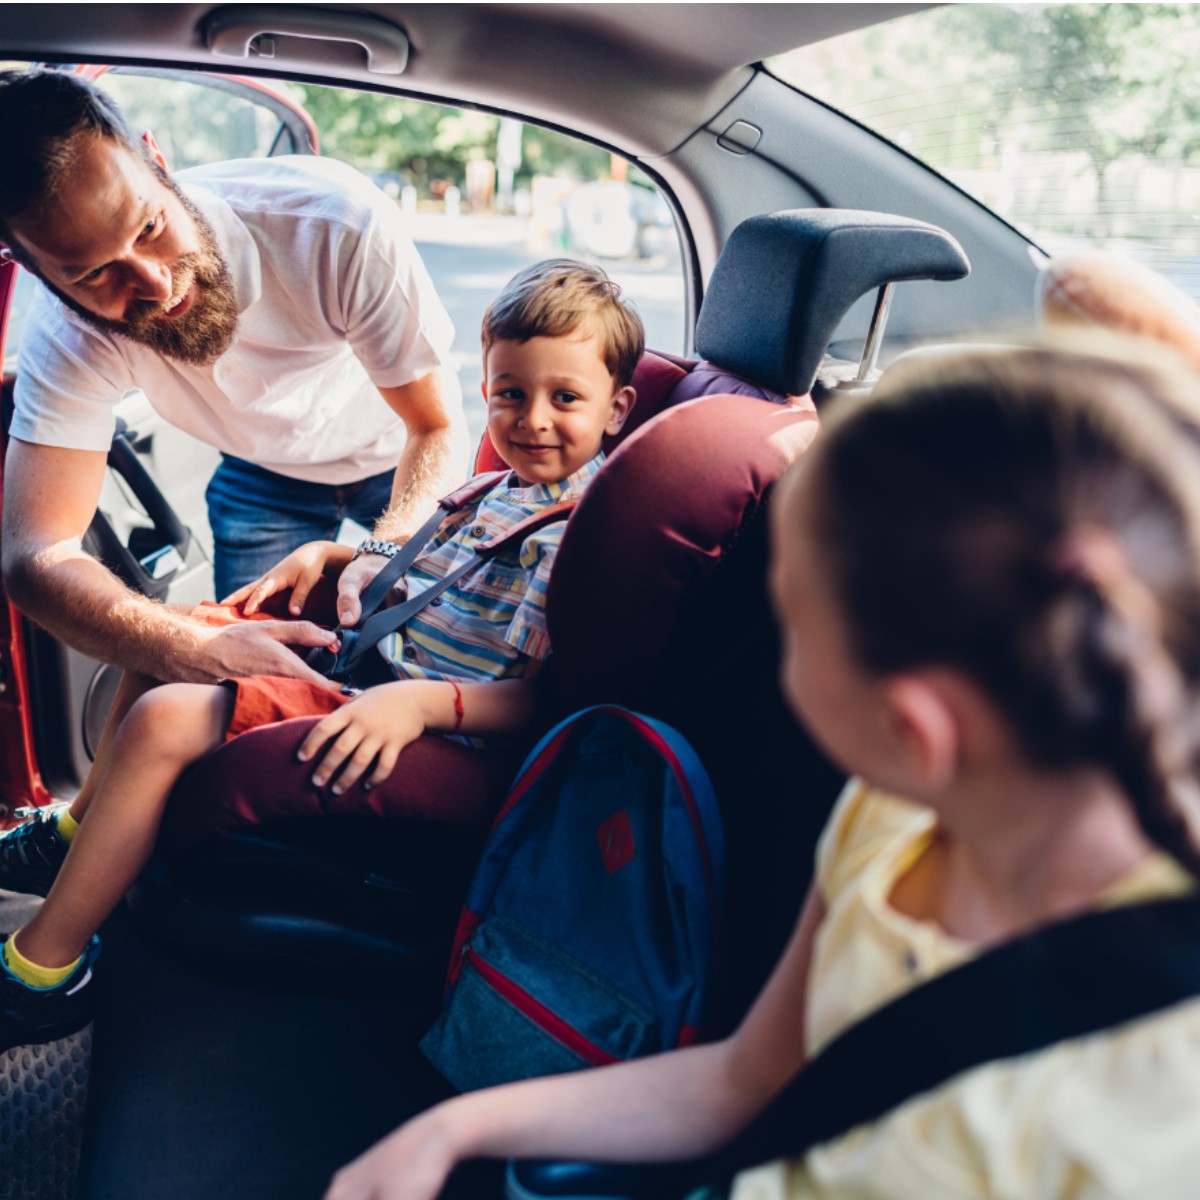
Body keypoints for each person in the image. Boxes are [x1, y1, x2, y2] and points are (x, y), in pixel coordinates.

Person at [323, 341, 1200, 1200]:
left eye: (788, 629)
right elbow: (743, 1082)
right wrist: (453, 1129)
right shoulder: (889, 819)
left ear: (911, 729)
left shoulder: (1151, 1108)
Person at [0, 258, 641, 1055]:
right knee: (187, 635)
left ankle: (41, 978)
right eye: (510, 393)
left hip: (445, 729)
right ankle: (73, 834)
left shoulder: (574, 532)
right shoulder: (497, 490)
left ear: (617, 410)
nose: (533, 419)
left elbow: (546, 702)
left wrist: (418, 704)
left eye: (565, 399)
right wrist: (340, 559)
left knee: (167, 716)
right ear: (486, 391)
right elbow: (431, 579)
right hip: (387, 668)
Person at [0, 67, 468, 688]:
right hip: (263, 479)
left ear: (156, 160)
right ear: (36, 275)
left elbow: (435, 424)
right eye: (93, 276)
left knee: (450, 649)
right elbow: (36, 554)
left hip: (399, 457)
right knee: (253, 679)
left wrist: (388, 552)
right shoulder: (66, 334)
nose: (156, 285)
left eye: (149, 227)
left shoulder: (335, 225)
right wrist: (192, 648)